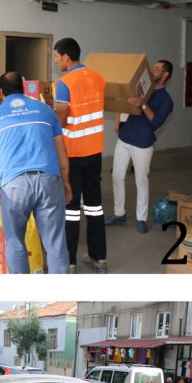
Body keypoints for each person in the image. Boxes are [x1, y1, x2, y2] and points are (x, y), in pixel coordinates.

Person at [0, 71, 72, 274]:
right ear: (23, 87)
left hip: (14, 188)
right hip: (48, 181)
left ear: (1, 92)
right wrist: (65, 182)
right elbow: (61, 151)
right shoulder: (45, 110)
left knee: (15, 243)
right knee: (55, 244)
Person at [53, 37, 108, 273]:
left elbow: (62, 117)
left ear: (66, 57)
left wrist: (49, 117)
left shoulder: (64, 83)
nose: (56, 62)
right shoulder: (98, 77)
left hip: (73, 154)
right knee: (95, 206)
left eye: (57, 57)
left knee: (71, 209)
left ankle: (70, 262)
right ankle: (99, 258)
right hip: (94, 152)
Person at [109, 60, 174, 233]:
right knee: (117, 176)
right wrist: (118, 120)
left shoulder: (166, 100)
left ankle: (141, 218)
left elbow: (156, 122)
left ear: (165, 74)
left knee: (141, 181)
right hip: (124, 138)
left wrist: (143, 104)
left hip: (143, 144)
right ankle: (119, 213)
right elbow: (123, 101)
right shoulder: (143, 88)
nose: (153, 70)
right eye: (153, 67)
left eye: (157, 69)